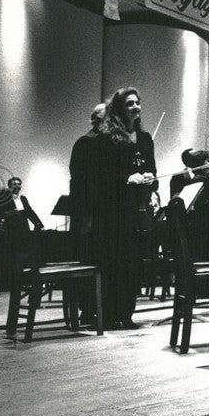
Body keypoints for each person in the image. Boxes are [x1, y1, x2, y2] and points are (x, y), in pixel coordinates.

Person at [95, 87, 157, 329]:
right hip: (114, 212)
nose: (136, 107)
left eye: (138, 103)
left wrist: (152, 182)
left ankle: (127, 314)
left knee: (133, 265)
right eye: (130, 103)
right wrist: (126, 179)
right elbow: (101, 177)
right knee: (114, 264)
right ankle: (110, 316)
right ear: (120, 109)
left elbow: (153, 170)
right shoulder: (107, 139)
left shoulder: (145, 139)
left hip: (137, 213)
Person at [69, 102, 106, 325]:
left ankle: (99, 309)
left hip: (101, 214)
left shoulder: (108, 143)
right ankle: (88, 309)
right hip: (90, 215)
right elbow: (79, 180)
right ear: (96, 120)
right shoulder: (86, 142)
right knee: (90, 261)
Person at [0, 176, 44, 292]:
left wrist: (39, 224)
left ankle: (22, 282)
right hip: (8, 231)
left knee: (21, 256)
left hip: (22, 230)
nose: (17, 186)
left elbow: (29, 212)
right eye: (14, 184)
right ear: (9, 186)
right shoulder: (4, 197)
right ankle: (5, 284)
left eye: (19, 184)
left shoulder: (23, 198)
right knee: (7, 257)